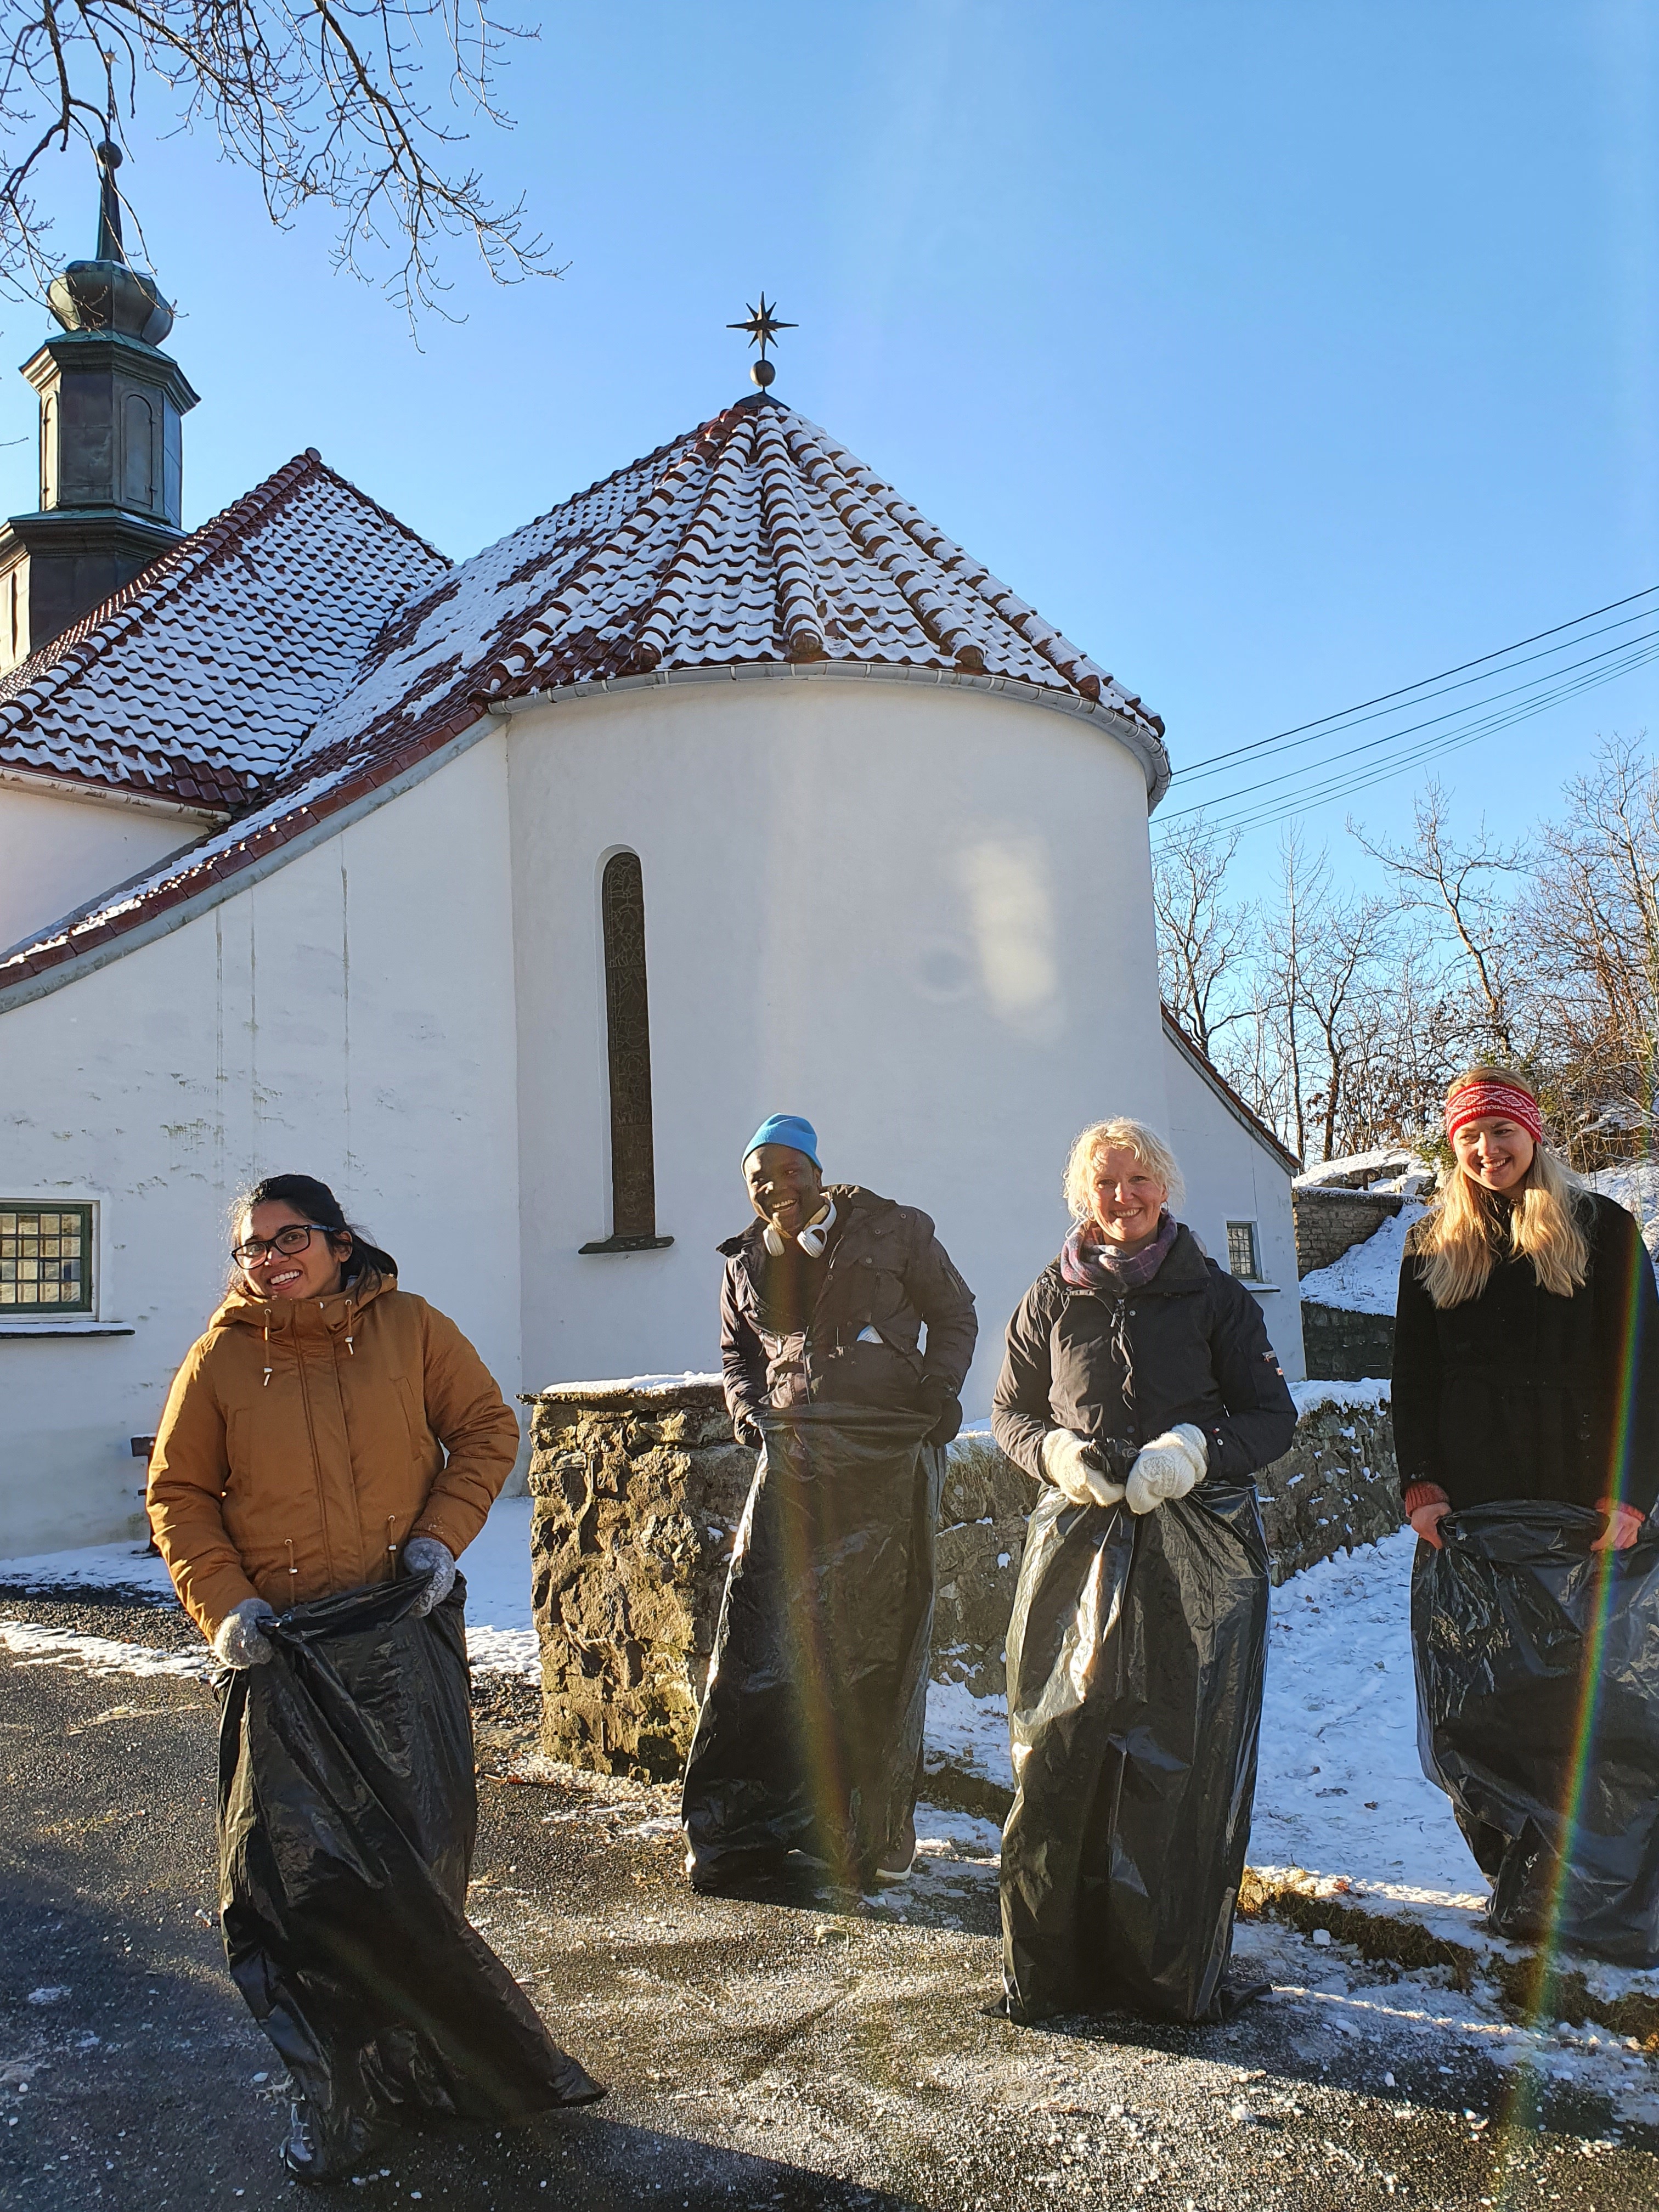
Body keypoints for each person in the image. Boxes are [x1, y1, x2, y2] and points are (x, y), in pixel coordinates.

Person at [147, 1174, 601, 2182]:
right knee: (298, 1888)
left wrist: (440, 1538)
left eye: (290, 1238)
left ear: (339, 1242)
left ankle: (432, 2067)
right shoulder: (222, 1358)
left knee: (418, 1871)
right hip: (286, 1655)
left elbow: (486, 1429)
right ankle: (339, 2092)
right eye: (253, 1245)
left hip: (400, 1645)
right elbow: (179, 1494)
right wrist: (227, 1608)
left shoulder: (411, 1329)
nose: (271, 1259)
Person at [991, 1118, 1297, 2023]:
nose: (1120, 1199)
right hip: (1078, 1540)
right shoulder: (1052, 1294)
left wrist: (1198, 1450)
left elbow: (1271, 1415)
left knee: (1179, 1753)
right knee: (1060, 1746)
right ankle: (1057, 1969)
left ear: (1164, 1186)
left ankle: (1163, 1973)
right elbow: (1009, 1412)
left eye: (1137, 1181)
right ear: (1081, 1196)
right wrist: (1054, 1453)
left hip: (1196, 1545)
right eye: (1104, 1184)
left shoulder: (1214, 1295)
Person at [1393, 1069, 1659, 1938]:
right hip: (1474, 1516)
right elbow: (1414, 1378)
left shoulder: (1602, 1229)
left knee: (1593, 1700)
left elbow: (1643, 1369)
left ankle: (1602, 1895)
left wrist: (1631, 1493)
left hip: (1585, 1508)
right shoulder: (1432, 1242)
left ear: (1533, 1134)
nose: (1487, 1150)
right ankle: (1521, 1885)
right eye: (1469, 1137)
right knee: (1485, 1706)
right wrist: (1421, 1484)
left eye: (1501, 1131)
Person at [681, 1114, 978, 1892]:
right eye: (760, 1177)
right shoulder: (745, 1261)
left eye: (790, 1170)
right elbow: (737, 1356)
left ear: (817, 1170)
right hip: (796, 1458)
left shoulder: (896, 1229)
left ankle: (868, 1833)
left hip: (888, 1453)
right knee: (767, 1643)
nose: (777, 1187)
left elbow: (955, 1314)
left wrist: (939, 1391)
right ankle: (759, 1826)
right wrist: (750, 1414)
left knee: (878, 1643)